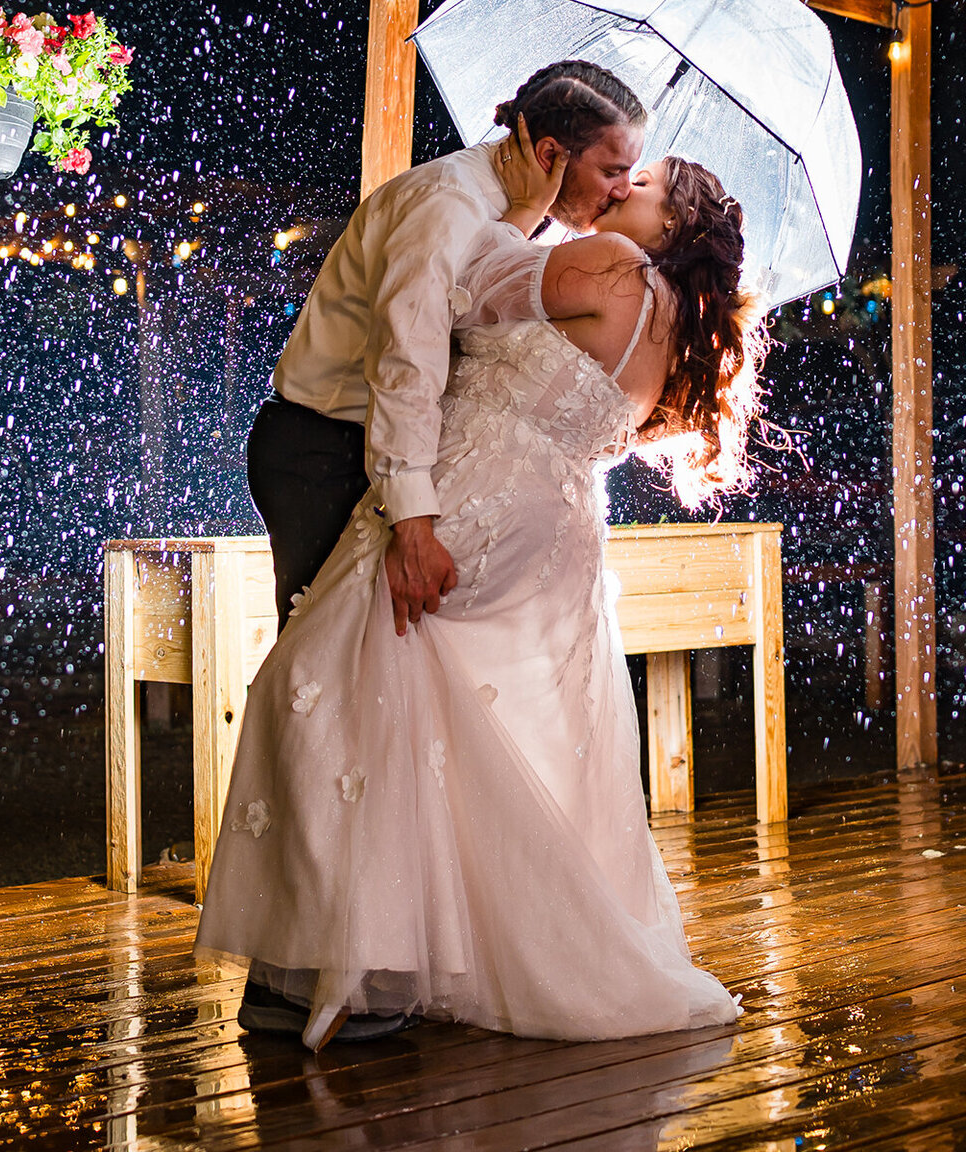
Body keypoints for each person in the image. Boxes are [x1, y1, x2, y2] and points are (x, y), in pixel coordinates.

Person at [198, 146, 764, 1048]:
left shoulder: (611, 266)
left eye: (642, 186)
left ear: (672, 229)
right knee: (445, 721)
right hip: (556, 522)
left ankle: (366, 973)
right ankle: (389, 957)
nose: (620, 188)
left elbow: (457, 295)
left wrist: (524, 197)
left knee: (336, 688)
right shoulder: (670, 323)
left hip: (473, 498)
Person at [247, 60, 647, 632]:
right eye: (614, 169)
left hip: (378, 452)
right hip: (325, 452)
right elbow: (406, 360)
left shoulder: (521, 212)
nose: (623, 190)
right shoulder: (446, 205)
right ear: (552, 155)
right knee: (330, 658)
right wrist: (412, 525)